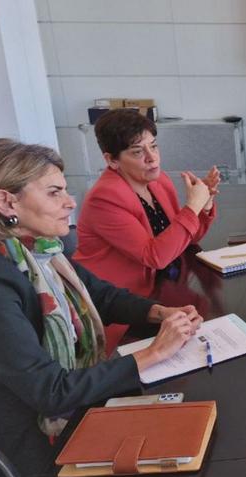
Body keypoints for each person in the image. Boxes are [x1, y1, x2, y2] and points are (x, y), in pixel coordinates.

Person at [0, 139, 204, 477]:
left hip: (52, 413)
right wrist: (154, 352)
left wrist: (161, 313)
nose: (70, 202)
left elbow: (103, 297)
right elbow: (50, 392)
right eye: (54, 193)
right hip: (13, 443)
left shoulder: (38, 250)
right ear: (6, 201)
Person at [74, 109, 219, 351]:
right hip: (118, 305)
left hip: (159, 291)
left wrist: (204, 205)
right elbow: (156, 256)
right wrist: (192, 207)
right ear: (111, 160)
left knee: (210, 319)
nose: (152, 158)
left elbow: (185, 238)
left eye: (154, 146)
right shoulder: (105, 197)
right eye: (138, 152)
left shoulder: (158, 182)